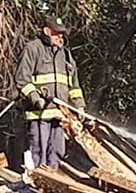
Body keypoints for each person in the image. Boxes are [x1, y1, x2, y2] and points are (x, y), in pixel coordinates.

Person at [15, 15, 84, 171]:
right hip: (39, 114)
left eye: (62, 34)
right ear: (46, 31)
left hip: (60, 116)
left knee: (58, 152)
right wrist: (35, 98)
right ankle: (38, 186)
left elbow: (74, 86)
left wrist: (79, 106)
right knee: (39, 152)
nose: (60, 37)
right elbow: (22, 79)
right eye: (56, 33)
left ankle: (53, 184)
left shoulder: (66, 56)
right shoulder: (33, 49)